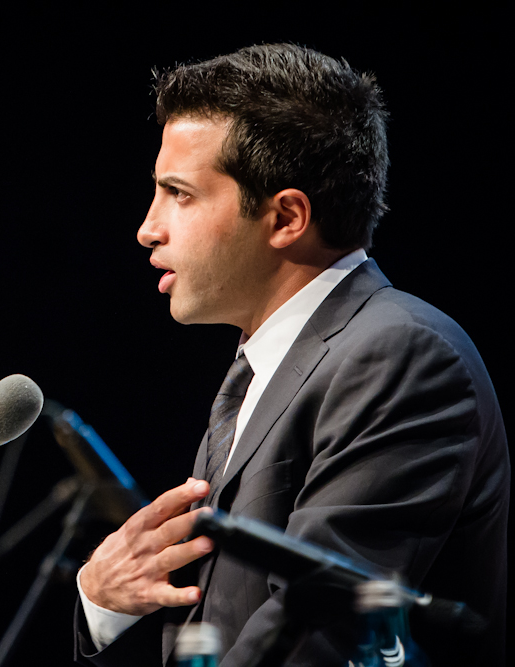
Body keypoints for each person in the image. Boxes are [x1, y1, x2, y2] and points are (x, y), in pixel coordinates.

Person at [73, 44, 509, 666]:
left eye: (180, 194)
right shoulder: (264, 365)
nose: (148, 228)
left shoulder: (400, 354)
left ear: (286, 217)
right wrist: (102, 602)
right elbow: (213, 621)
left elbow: (317, 635)